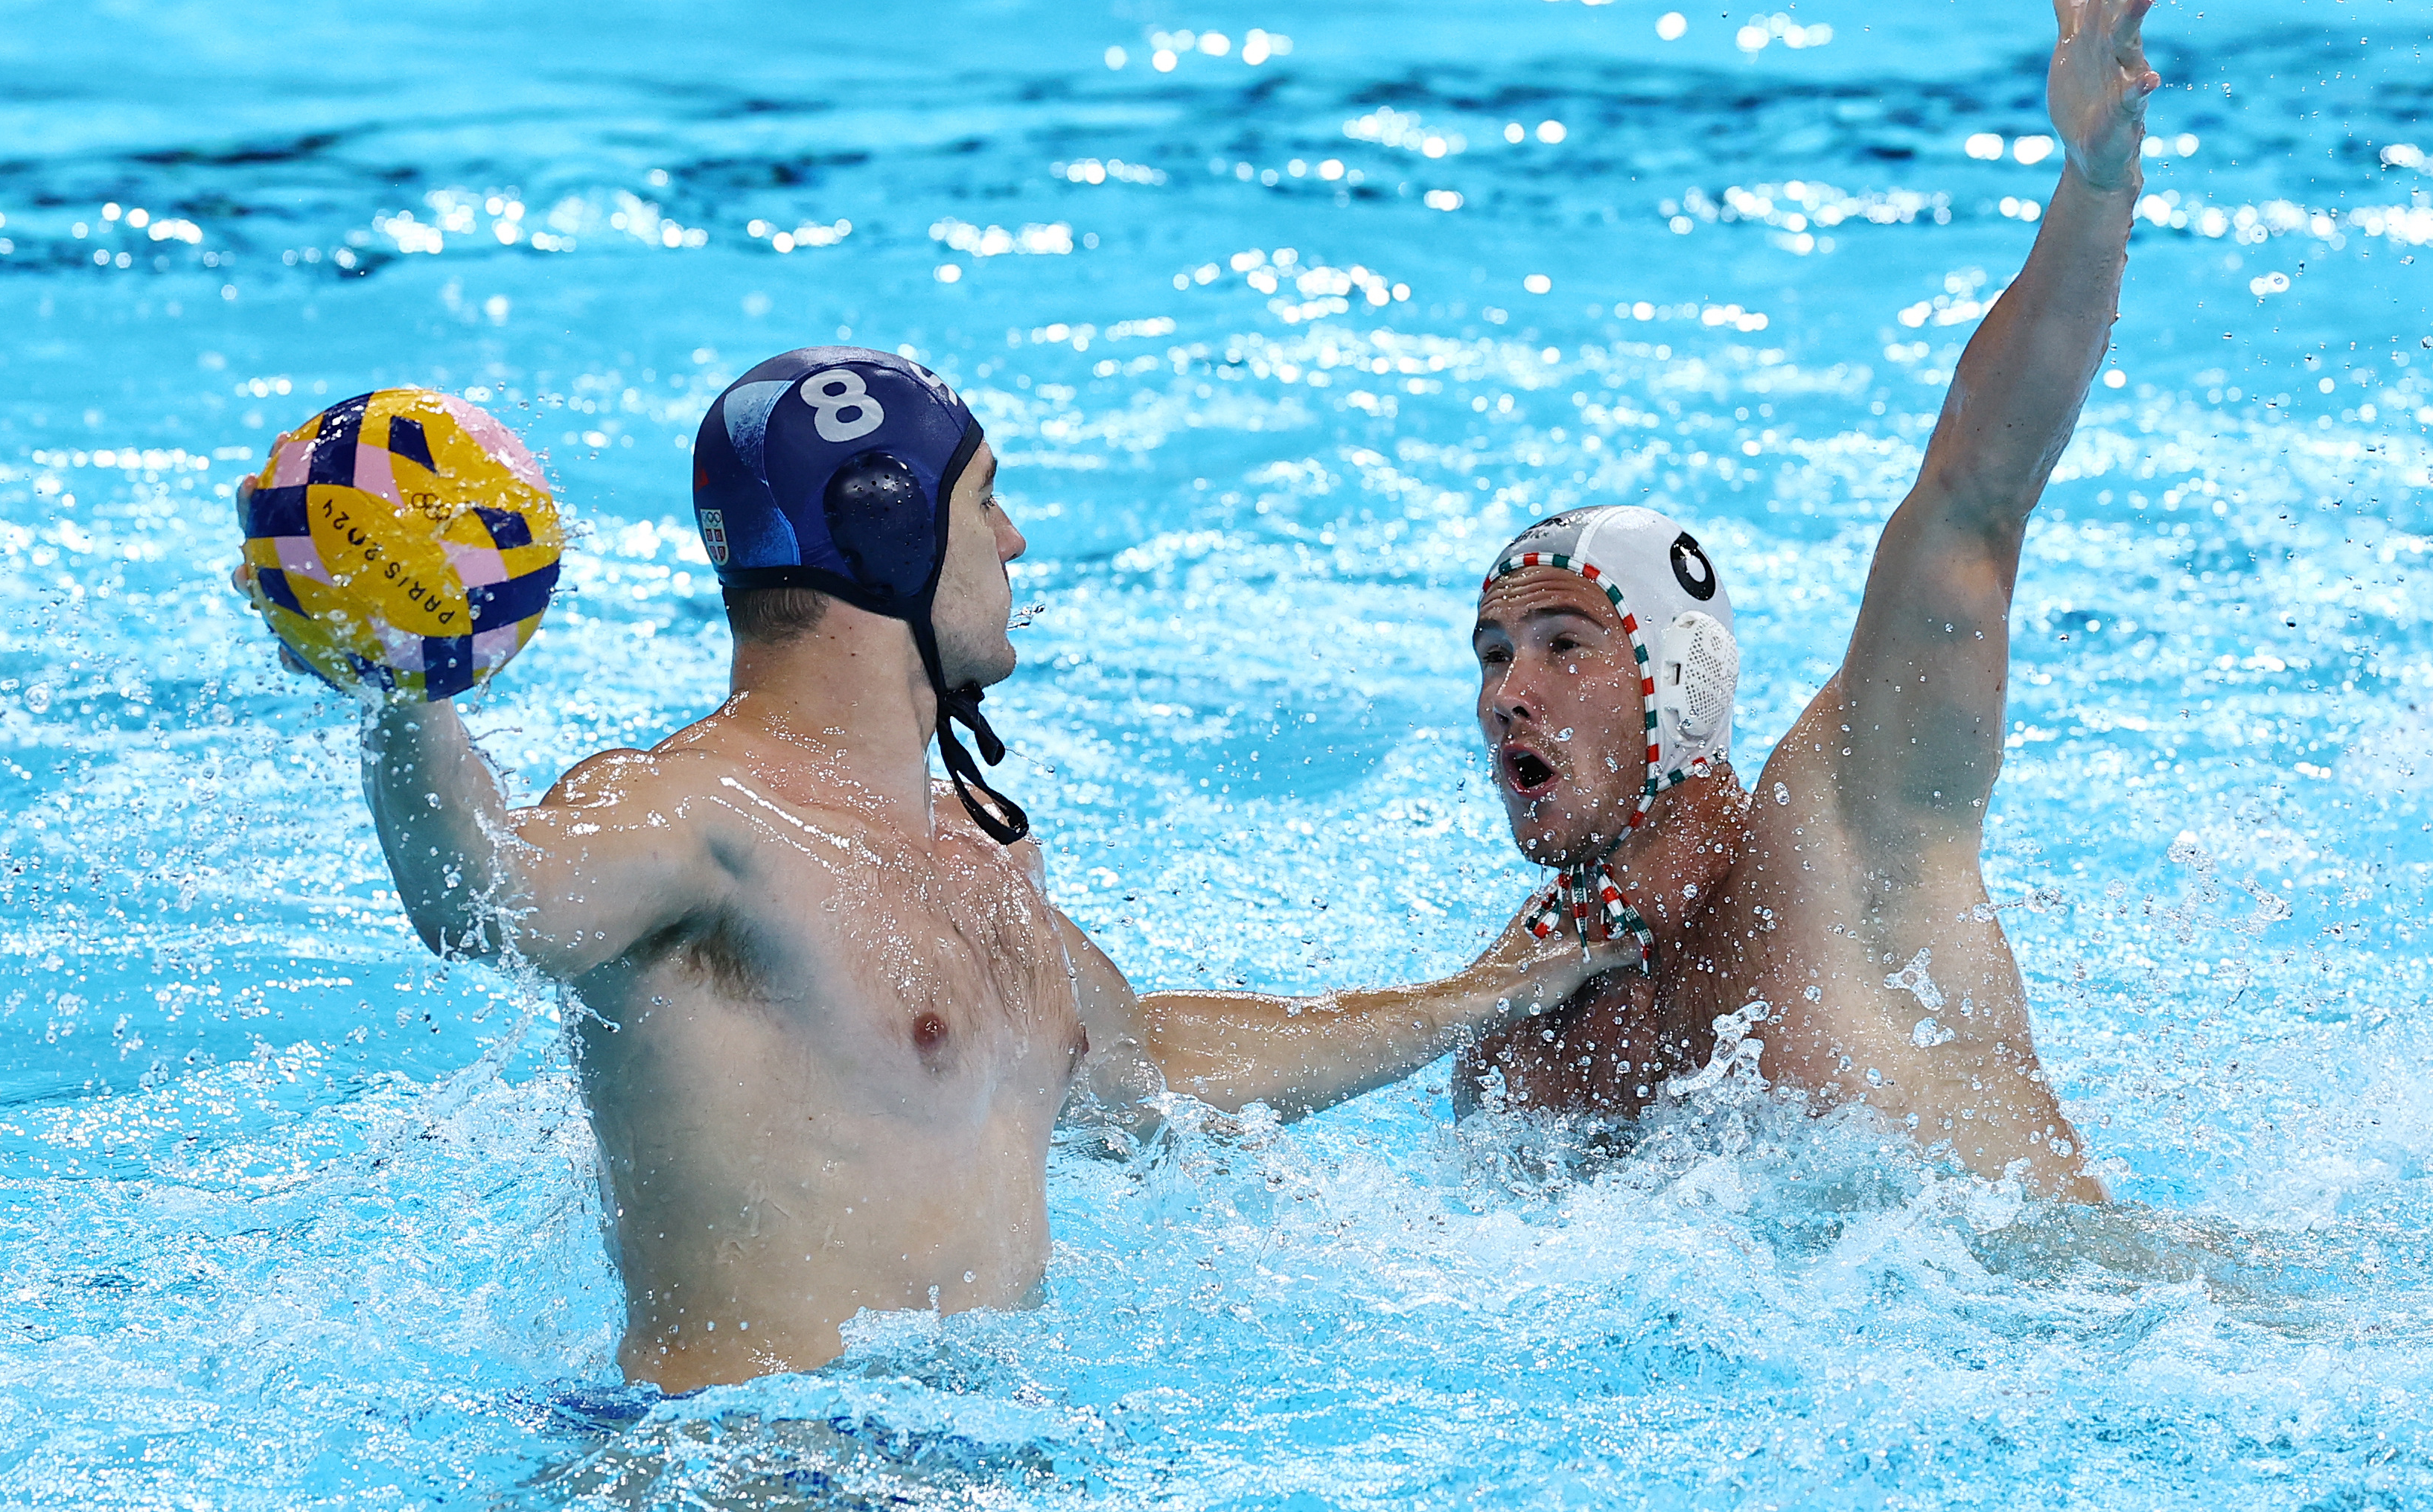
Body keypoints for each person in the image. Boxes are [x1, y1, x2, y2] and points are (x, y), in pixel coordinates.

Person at [235, 348, 1639, 1391]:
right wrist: (404, 686)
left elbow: (1150, 1070)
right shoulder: (696, 818)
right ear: (888, 524)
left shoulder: (983, 855)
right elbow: (487, 891)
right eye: (986, 499)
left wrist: (1489, 990)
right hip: (745, 1480)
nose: (1016, 541)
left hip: (977, 1466)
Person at [1453, 0, 2167, 1202]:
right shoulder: (1516, 1042)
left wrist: (2095, 182)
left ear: (1681, 686)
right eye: (1494, 654)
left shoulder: (1844, 823)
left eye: (1565, 644)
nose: (1510, 693)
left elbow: (1974, 493)